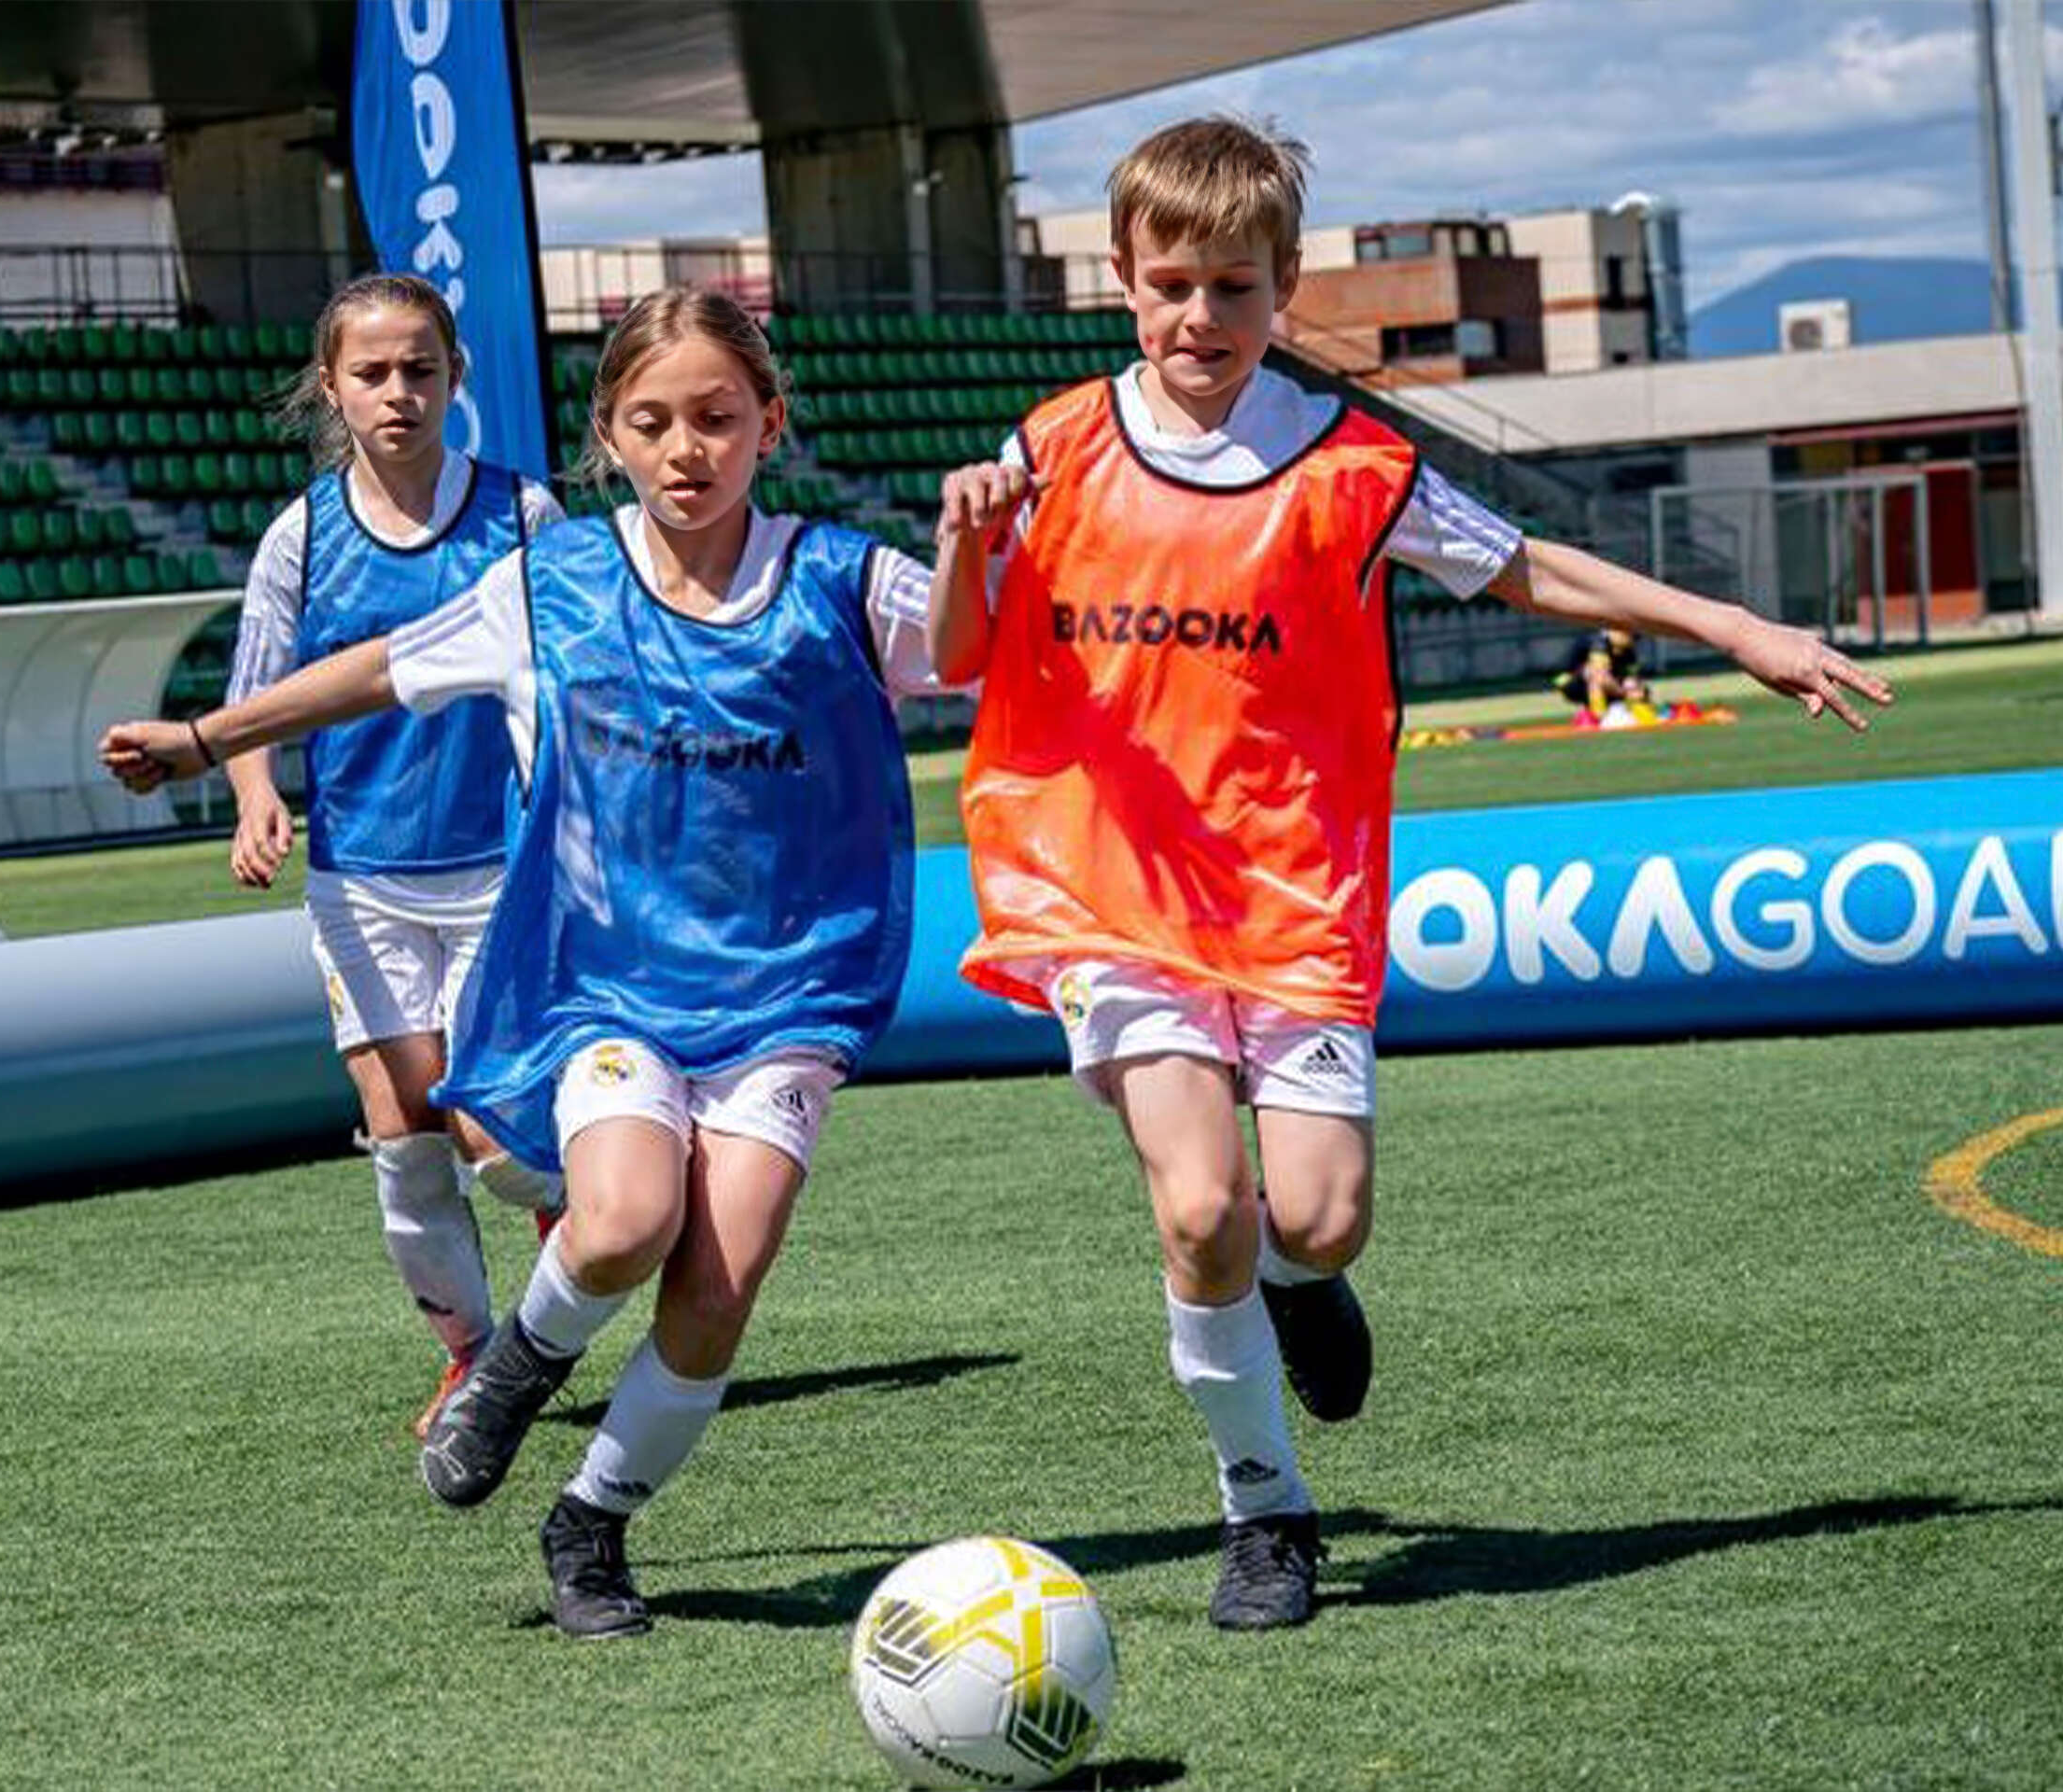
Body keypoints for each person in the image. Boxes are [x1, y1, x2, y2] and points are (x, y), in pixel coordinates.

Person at [926, 117, 1893, 1632]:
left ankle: (1299, 1282)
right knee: (1200, 1204)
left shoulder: (1356, 467)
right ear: (1120, 278)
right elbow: (958, 659)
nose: (1200, 318)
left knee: (1314, 1219)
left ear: (1284, 288)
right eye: (1171, 285)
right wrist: (958, 544)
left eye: (1234, 289)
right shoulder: (1050, 451)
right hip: (1112, 895)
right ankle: (1266, 1511)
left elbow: (1533, 568)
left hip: (1297, 896)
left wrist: (1737, 628)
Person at [102, 287, 943, 1641]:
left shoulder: (840, 577)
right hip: (603, 983)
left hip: (786, 995)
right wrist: (211, 743)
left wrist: (983, 545)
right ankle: (503, 1368)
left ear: (770, 424)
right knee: (617, 1219)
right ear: (608, 435)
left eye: (717, 417)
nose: (686, 448)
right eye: (652, 422)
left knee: (716, 1292)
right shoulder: (555, 582)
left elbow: (976, 644)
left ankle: (590, 1520)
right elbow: (377, 668)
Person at [219, 272, 566, 1443]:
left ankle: (583, 1223)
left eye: (420, 368)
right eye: (371, 373)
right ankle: (472, 1356)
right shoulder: (301, 535)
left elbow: (577, 677)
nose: (398, 391)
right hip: (358, 880)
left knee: (490, 1137)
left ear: (456, 377)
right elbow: (253, 700)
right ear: (332, 388)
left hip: (501, 873)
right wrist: (255, 796)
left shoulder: (524, 516)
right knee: (404, 1134)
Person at [1554, 625, 1657, 722]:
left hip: (1604, 682)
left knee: (1633, 686)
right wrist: (1623, 693)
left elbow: (1631, 677)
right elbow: (1600, 676)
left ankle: (1644, 718)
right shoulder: (1597, 642)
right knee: (1596, 676)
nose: (1632, 639)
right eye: (1630, 635)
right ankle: (1599, 719)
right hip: (1570, 682)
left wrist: (1636, 690)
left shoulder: (1628, 651)